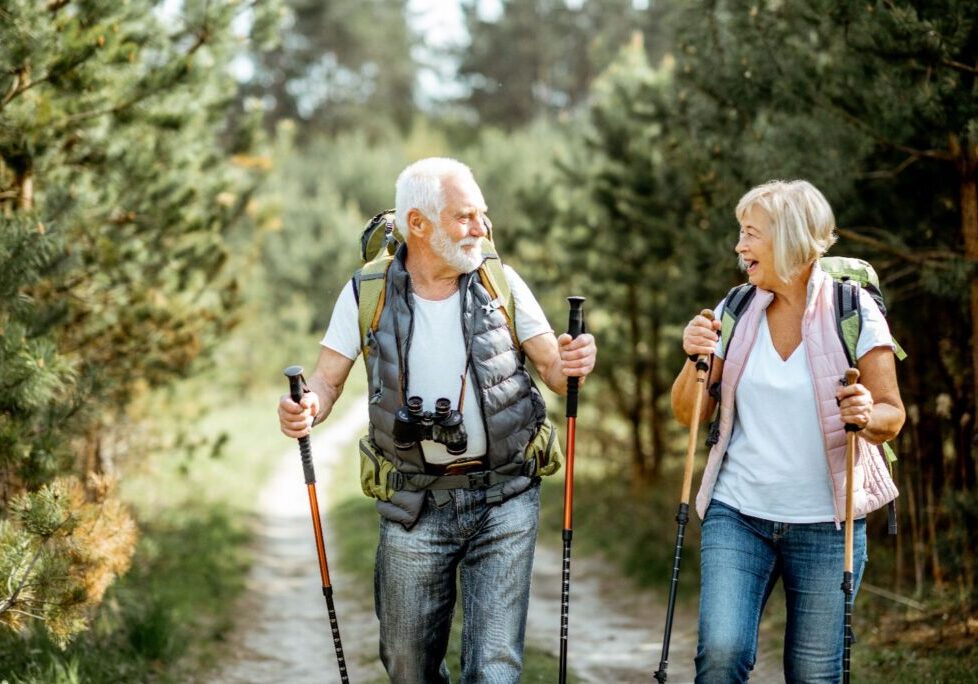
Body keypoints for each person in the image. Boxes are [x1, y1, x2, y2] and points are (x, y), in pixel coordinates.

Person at [278, 157, 597, 683]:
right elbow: (326, 382)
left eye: (481, 215)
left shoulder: (501, 281)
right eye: (464, 217)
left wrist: (578, 360)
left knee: (494, 668)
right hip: (413, 501)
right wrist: (304, 407)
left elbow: (557, 373)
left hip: (505, 495)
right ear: (418, 224)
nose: (481, 228)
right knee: (408, 667)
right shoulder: (367, 292)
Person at [671, 180, 905, 683]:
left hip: (827, 523)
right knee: (721, 653)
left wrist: (866, 413)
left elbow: (892, 415)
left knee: (815, 675)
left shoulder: (853, 311)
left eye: (751, 234)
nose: (739, 246)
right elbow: (690, 414)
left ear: (790, 240)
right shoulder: (735, 308)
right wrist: (694, 359)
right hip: (739, 514)